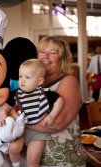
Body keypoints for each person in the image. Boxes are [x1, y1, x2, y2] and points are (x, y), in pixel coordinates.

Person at [25, 36, 86, 166]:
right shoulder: (33, 82)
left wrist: (18, 119)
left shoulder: (68, 81)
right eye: (42, 52)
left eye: (53, 53)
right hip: (31, 159)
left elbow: (56, 123)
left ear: (62, 59)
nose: (46, 56)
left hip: (61, 160)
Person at [0, 59, 64, 167]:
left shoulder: (45, 93)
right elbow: (7, 106)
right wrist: (3, 113)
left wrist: (52, 115)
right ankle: (15, 164)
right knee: (13, 148)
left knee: (32, 159)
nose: (22, 81)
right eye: (20, 76)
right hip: (19, 129)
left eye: (27, 77)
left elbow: (59, 100)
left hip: (37, 132)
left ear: (39, 81)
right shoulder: (16, 93)